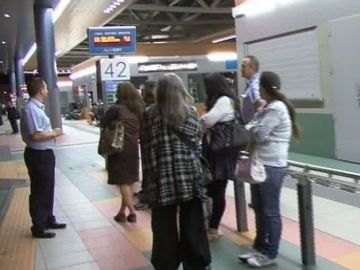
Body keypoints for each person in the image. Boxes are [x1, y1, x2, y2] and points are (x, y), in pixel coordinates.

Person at [142, 73, 211, 270]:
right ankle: (197, 261)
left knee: (163, 227)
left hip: (161, 176)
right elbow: (197, 140)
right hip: (188, 175)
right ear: (181, 90)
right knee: (193, 223)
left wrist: (148, 183)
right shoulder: (190, 112)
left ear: (159, 92)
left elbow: (146, 148)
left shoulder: (150, 114)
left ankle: (166, 263)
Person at [238, 71, 301, 267]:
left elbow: (259, 133)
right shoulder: (268, 108)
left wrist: (252, 127)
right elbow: (255, 127)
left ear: (264, 88)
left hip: (272, 166)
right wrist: (254, 124)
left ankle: (270, 253)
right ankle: (259, 248)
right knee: (258, 207)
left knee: (270, 210)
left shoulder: (276, 109)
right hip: (261, 164)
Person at [20, 78, 66, 238]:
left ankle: (48, 218)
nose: (47, 91)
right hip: (38, 155)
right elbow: (35, 135)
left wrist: (52, 132)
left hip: (44, 154)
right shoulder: (31, 109)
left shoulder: (37, 108)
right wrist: (55, 133)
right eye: (45, 89)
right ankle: (38, 225)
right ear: (40, 90)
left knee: (48, 187)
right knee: (40, 190)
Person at [201, 73, 242, 241]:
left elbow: (208, 120)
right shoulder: (226, 100)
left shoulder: (224, 101)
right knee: (214, 189)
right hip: (217, 153)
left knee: (218, 191)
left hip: (220, 155)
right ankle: (212, 225)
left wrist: (202, 118)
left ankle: (214, 228)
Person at [100, 82, 144, 223]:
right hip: (133, 149)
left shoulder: (115, 109)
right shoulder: (139, 109)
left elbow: (102, 122)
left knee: (123, 182)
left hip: (118, 149)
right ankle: (121, 212)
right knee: (129, 181)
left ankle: (131, 212)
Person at [135, 80, 157, 211]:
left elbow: (143, 127)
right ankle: (149, 193)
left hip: (147, 143)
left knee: (148, 169)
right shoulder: (162, 106)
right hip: (156, 143)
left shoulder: (146, 109)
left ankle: (148, 196)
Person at [241, 55, 266, 124]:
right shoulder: (251, 83)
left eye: (243, 66)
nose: (241, 69)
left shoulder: (255, 85)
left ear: (252, 68)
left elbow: (261, 104)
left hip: (253, 126)